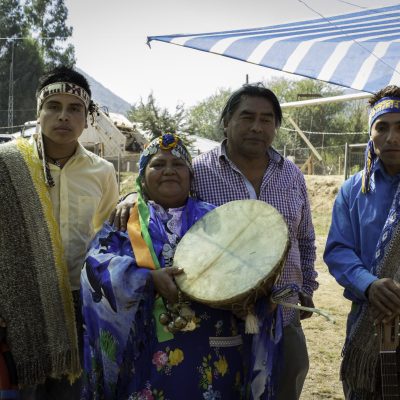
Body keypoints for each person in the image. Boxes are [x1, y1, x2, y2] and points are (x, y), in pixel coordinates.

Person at [113, 83, 318, 400]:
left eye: (266, 119)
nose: (256, 126)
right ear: (226, 121)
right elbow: (164, 191)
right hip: (220, 324)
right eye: (246, 116)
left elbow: (305, 239)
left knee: (283, 388)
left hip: (282, 315)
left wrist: (308, 288)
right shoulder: (198, 171)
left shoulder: (292, 174)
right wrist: (132, 196)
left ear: (276, 126)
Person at [81, 134, 281, 400]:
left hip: (215, 354)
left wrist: (264, 297)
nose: (168, 171)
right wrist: (146, 279)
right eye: (157, 165)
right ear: (142, 176)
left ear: (190, 174)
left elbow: (250, 270)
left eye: (178, 164)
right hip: (145, 362)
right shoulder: (124, 221)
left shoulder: (219, 220)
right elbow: (94, 269)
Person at [0, 66, 119, 399]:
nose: (63, 116)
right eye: (53, 106)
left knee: (69, 392)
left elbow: (106, 236)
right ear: (38, 113)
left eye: (74, 108)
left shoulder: (102, 171)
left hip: (79, 306)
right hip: (17, 305)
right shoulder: (7, 163)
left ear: (87, 118)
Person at [324, 85, 400, 399]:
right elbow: (339, 250)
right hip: (369, 321)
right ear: (370, 133)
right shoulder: (353, 190)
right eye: (382, 127)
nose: (392, 137)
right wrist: (369, 284)